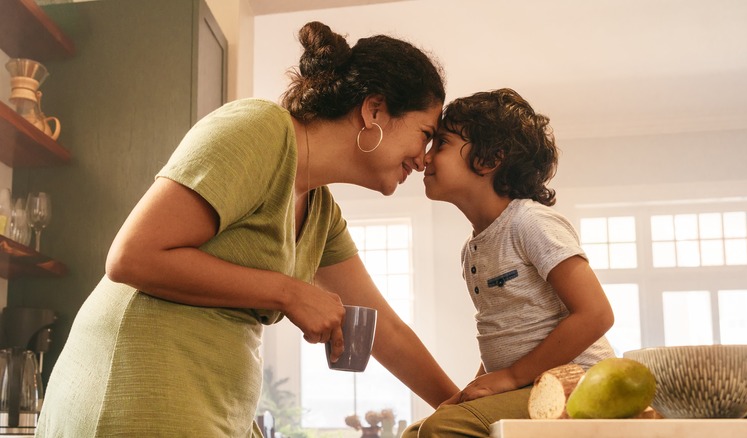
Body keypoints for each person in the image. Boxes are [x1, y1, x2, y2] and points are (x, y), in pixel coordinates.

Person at [36, 21, 458, 437]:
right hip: (133, 395)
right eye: (424, 135)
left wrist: (468, 412)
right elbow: (131, 257)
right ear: (374, 110)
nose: (423, 159)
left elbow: (385, 328)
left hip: (206, 408)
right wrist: (290, 292)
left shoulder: (322, 212)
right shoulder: (260, 131)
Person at [403, 88, 615, 437]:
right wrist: (473, 390)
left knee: (443, 429)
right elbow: (505, 336)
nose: (425, 158)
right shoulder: (473, 249)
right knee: (416, 432)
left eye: (440, 144)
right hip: (528, 386)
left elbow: (596, 314)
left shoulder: (530, 222)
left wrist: (512, 377)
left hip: (580, 384)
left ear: (489, 159)